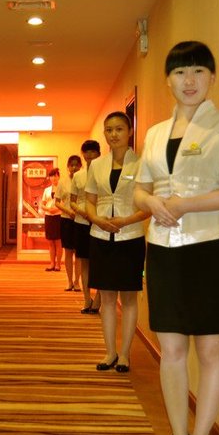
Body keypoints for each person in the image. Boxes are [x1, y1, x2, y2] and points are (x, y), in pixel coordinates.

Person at [134, 41, 219, 435]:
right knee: (171, 350)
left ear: (212, 78)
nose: (189, 81)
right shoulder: (154, 133)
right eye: (180, 72)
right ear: (168, 80)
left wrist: (185, 205)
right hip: (162, 249)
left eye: (199, 71)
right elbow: (140, 189)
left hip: (207, 248)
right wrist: (151, 202)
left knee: (211, 349)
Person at [84, 111, 149, 374]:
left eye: (119, 129)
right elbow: (89, 200)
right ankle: (110, 351)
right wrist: (96, 219)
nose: (113, 134)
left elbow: (148, 206)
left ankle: (125, 355)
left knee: (129, 298)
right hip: (100, 237)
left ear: (130, 132)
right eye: (109, 130)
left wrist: (125, 220)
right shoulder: (97, 165)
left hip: (130, 237)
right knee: (107, 298)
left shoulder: (142, 164)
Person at [69, 141, 102, 313]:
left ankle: (99, 299)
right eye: (86, 152)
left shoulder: (104, 172)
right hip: (81, 222)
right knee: (84, 262)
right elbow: (72, 202)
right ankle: (87, 299)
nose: (89, 155)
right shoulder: (78, 176)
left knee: (100, 261)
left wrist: (94, 215)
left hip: (100, 222)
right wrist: (82, 212)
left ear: (99, 154)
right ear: (83, 154)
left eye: (93, 152)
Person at [55, 155, 82, 291]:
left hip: (80, 220)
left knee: (79, 253)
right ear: (68, 167)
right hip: (66, 219)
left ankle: (77, 282)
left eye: (76, 165)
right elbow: (57, 202)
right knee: (68, 252)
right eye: (71, 165)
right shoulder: (62, 182)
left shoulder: (84, 180)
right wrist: (69, 211)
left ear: (80, 166)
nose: (74, 167)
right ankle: (69, 281)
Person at [39, 167, 62, 271]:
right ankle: (52, 263)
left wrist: (56, 209)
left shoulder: (62, 189)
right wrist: (48, 209)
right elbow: (42, 204)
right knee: (50, 242)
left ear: (58, 176)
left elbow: (65, 203)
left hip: (59, 217)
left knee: (58, 242)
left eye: (55, 176)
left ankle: (58, 265)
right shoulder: (47, 190)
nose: (53, 178)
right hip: (48, 217)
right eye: (51, 176)